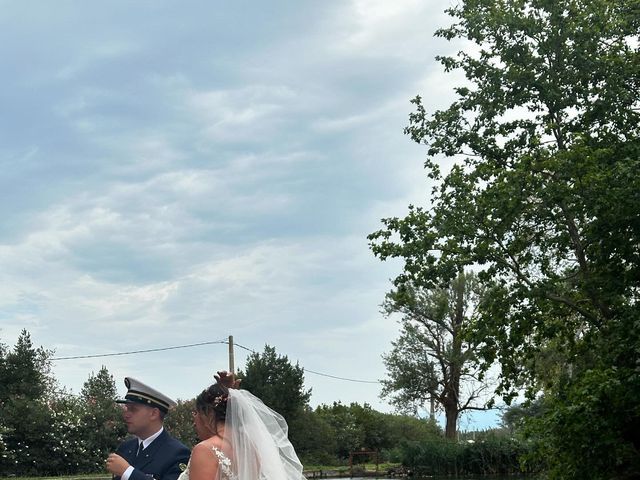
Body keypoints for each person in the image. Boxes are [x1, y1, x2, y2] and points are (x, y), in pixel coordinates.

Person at [179, 371, 305, 480]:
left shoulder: (205, 450)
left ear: (208, 413)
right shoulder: (252, 450)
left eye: (197, 413)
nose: (195, 420)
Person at [106, 377, 191, 480]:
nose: (126, 415)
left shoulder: (177, 453)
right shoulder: (126, 448)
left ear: (154, 413)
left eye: (133, 409)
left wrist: (128, 472)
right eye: (127, 408)